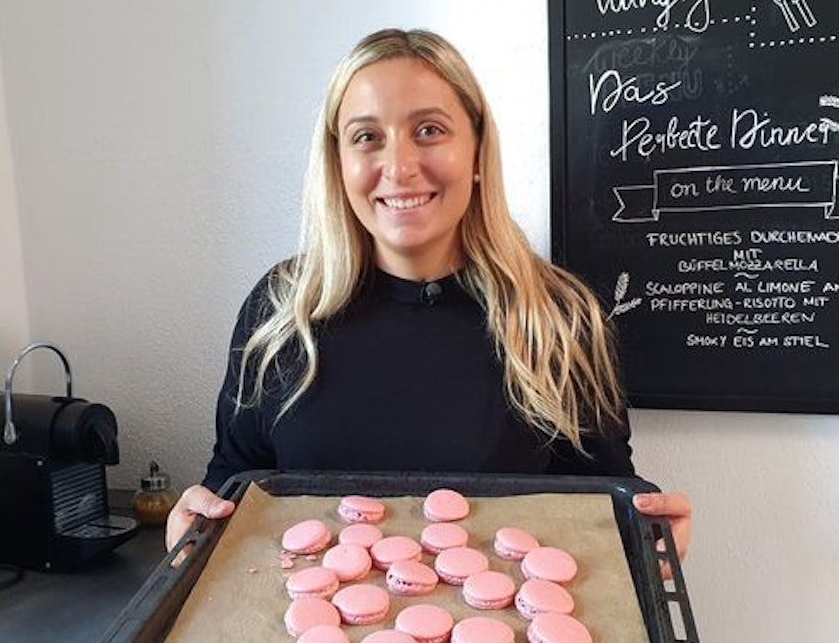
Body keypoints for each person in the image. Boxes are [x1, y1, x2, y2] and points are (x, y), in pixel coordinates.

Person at [166, 28, 691, 568]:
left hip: (509, 641)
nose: (399, 167)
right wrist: (195, 524)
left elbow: (603, 498)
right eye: (367, 137)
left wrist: (649, 530)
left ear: (478, 152)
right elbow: (233, 478)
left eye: (430, 130)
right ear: (338, 163)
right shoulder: (280, 314)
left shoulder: (558, 320)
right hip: (298, 642)